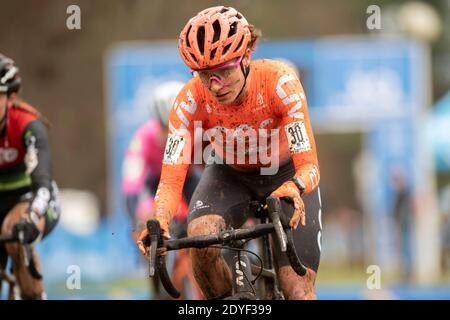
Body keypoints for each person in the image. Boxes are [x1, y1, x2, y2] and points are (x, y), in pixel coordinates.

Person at [137, 6, 322, 300]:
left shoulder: (280, 83)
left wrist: (295, 187)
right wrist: (160, 217)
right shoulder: (189, 101)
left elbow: (309, 166)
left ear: (247, 55)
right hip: (229, 175)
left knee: (298, 292)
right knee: (199, 236)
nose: (215, 85)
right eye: (205, 75)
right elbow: (172, 179)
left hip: (285, 175)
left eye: (224, 71)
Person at [122, 81, 202, 299]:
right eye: (165, 127)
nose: (170, 134)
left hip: (187, 180)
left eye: (176, 127)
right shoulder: (144, 137)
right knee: (145, 219)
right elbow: (131, 183)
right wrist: (136, 219)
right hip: (156, 182)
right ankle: (155, 273)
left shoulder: (197, 134)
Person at [0, 53, 60, 299]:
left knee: (15, 233)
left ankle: (34, 293)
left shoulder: (28, 125)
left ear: (11, 97)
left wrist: (31, 217)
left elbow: (43, 187)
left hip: (33, 199)